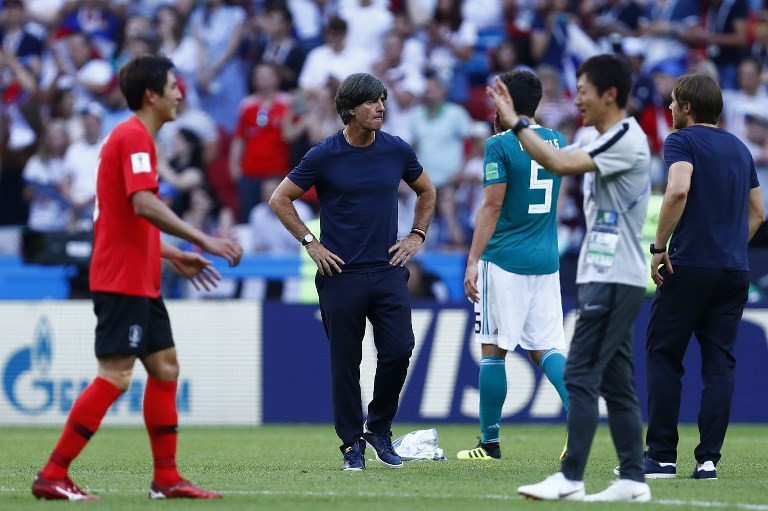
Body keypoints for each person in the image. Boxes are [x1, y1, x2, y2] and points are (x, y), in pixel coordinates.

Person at [31, 55, 243, 501]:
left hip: (140, 277)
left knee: (165, 368)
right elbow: (143, 205)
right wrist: (203, 239)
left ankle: (166, 479)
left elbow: (117, 216)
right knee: (114, 375)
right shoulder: (133, 137)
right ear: (151, 95)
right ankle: (53, 474)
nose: (180, 93)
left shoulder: (133, 139)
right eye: (173, 85)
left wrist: (170, 254)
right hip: (121, 279)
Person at [488, 54, 652, 502]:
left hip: (615, 273)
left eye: (583, 91)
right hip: (602, 271)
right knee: (617, 383)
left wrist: (515, 123)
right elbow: (559, 159)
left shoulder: (627, 140)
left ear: (609, 95)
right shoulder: (597, 135)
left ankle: (571, 475)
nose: (576, 99)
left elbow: (559, 165)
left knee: (579, 373)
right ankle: (634, 481)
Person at [269, 73, 436, 471]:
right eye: (371, 101)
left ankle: (378, 428)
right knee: (346, 362)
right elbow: (280, 199)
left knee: (399, 349)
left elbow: (427, 191)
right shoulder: (324, 154)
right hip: (340, 273)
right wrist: (312, 244)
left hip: (386, 269)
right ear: (349, 110)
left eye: (382, 99)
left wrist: (416, 235)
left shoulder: (396, 149)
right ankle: (351, 445)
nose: (380, 107)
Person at [640, 73, 765, 481]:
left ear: (688, 107)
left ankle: (661, 457)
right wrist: (731, 247)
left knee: (663, 355)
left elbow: (677, 190)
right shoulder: (740, 148)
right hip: (733, 271)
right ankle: (708, 459)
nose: (670, 109)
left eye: (674, 102)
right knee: (719, 365)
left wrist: (659, 248)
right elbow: (759, 212)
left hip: (688, 266)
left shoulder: (682, 141)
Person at [457, 70, 569, 462]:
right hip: (546, 259)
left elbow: (492, 204)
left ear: (504, 99)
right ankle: (581, 424)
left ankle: (489, 443)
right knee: (548, 349)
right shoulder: (557, 140)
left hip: (503, 259)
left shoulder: (499, 145)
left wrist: (472, 260)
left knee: (493, 349)